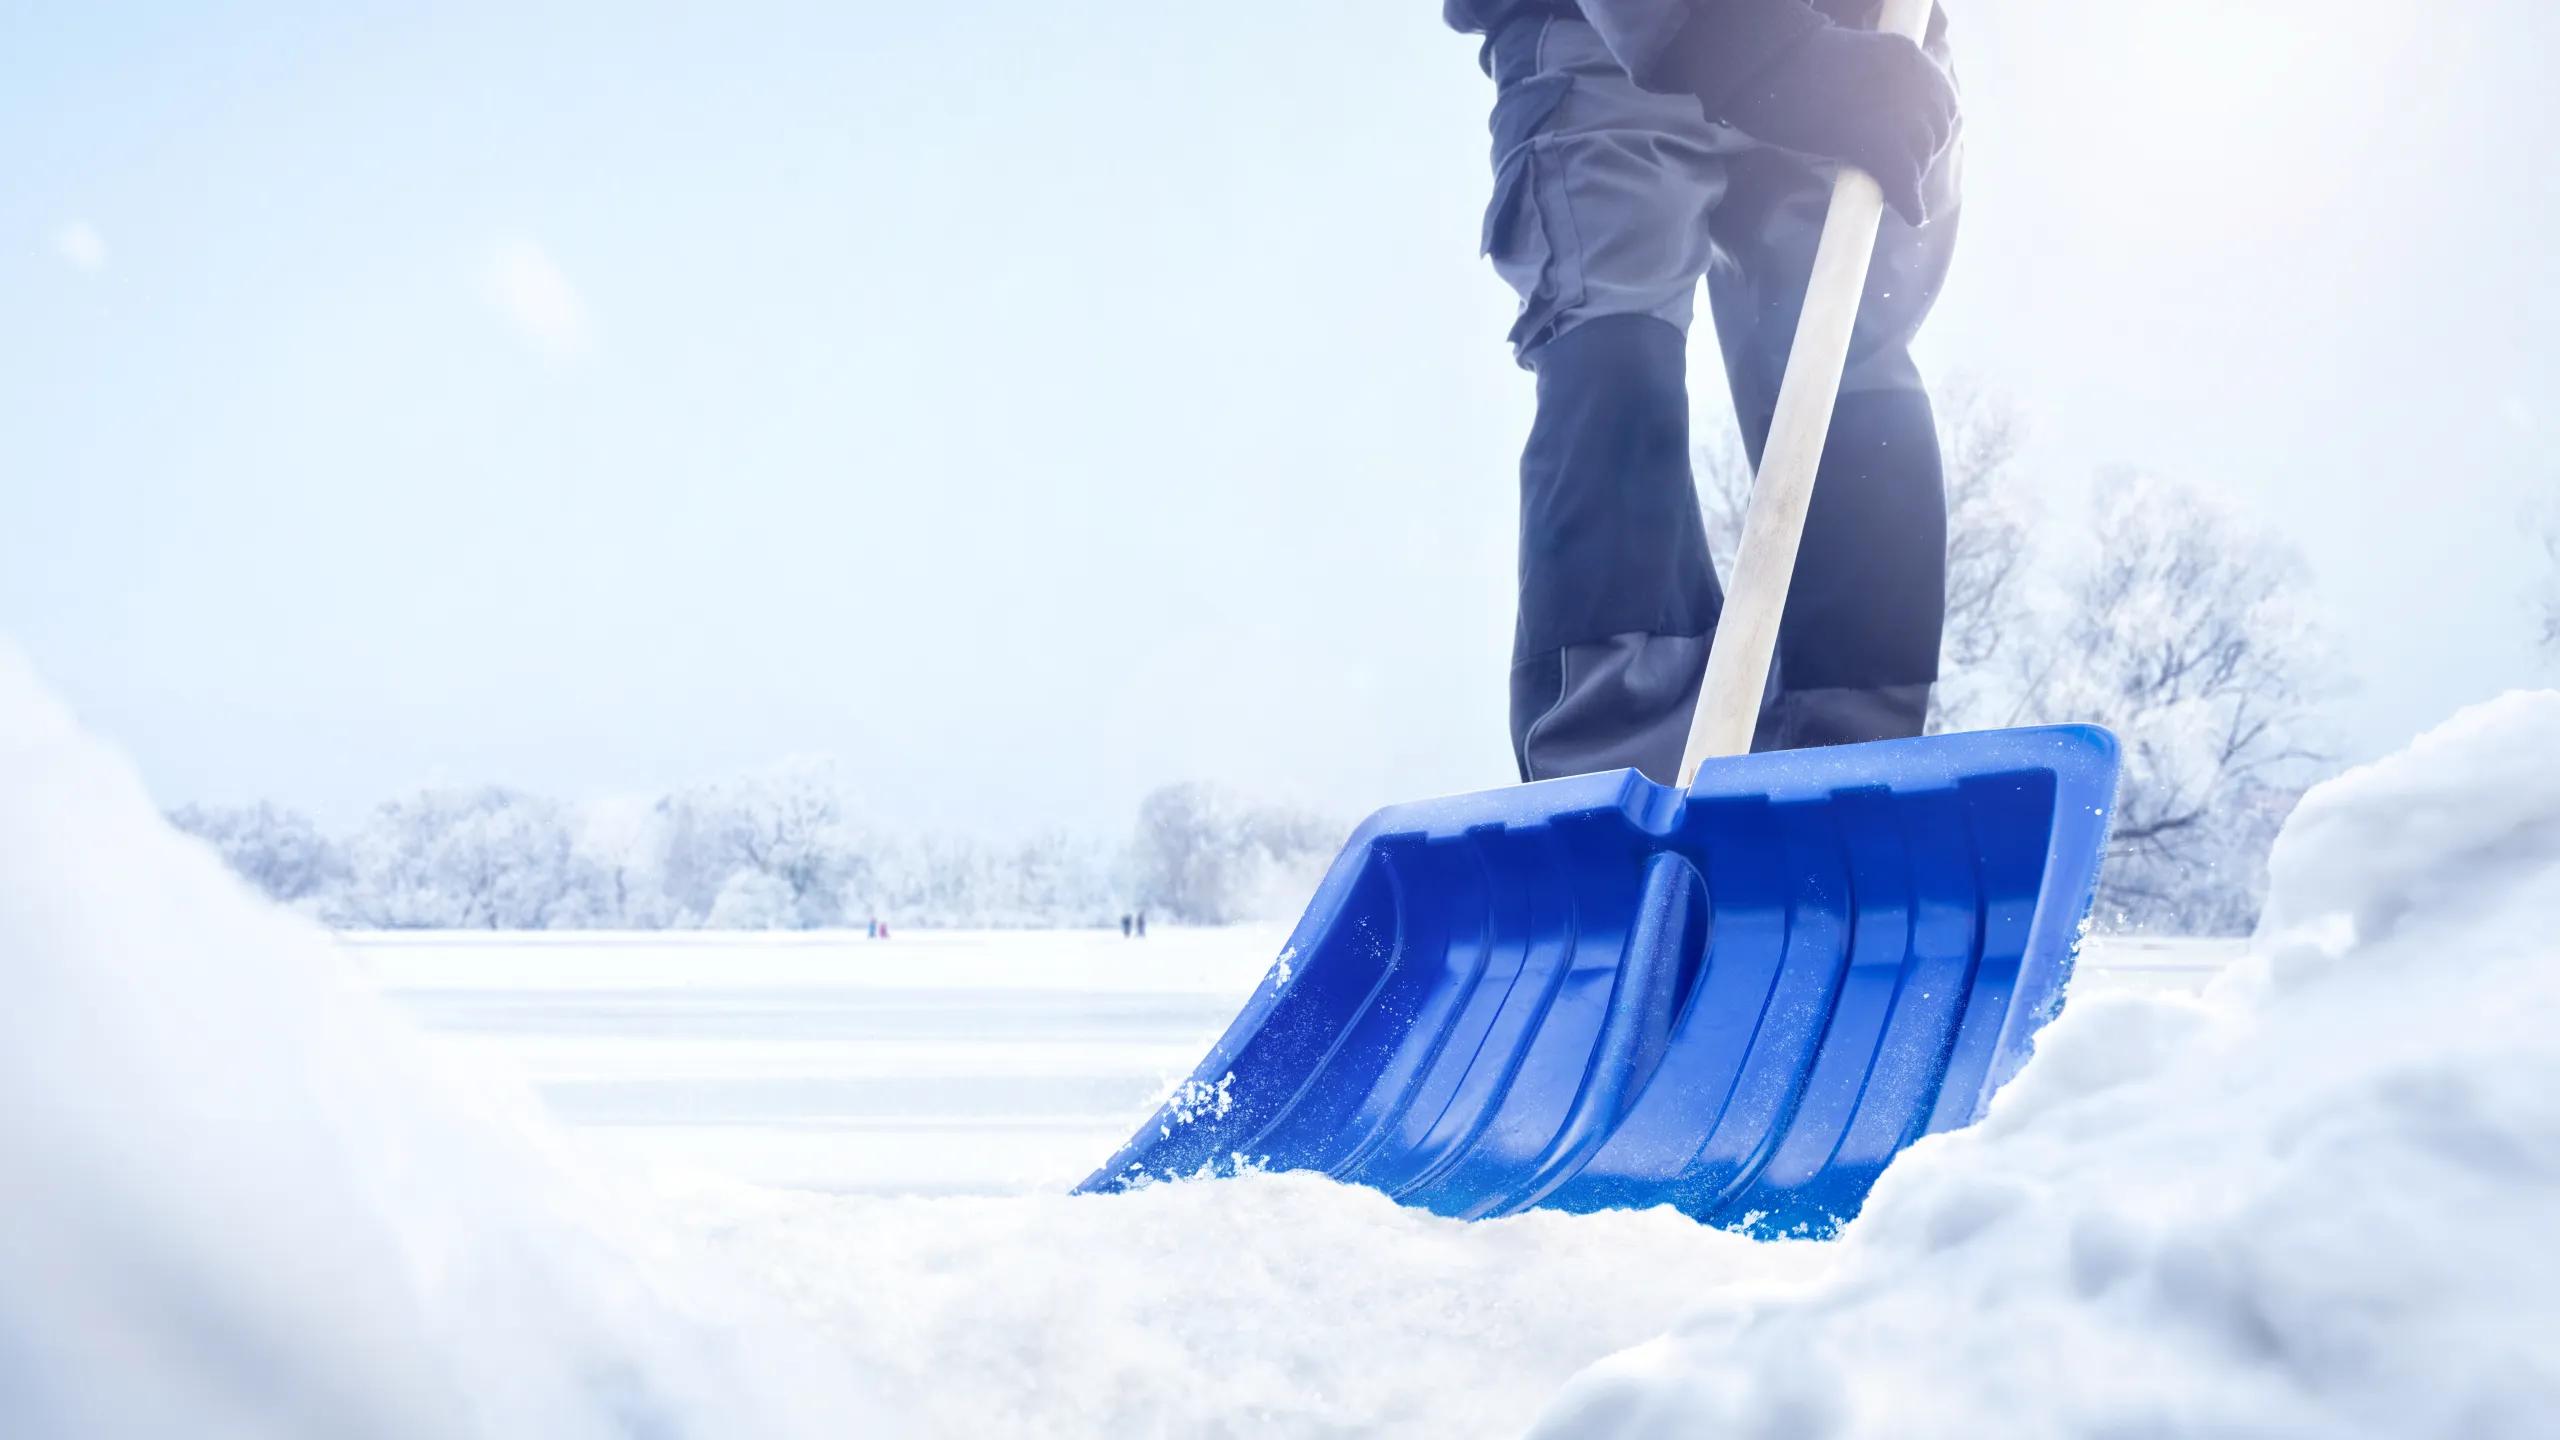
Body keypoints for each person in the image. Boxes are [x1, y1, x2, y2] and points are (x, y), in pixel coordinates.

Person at [1445, 0, 1963, 784]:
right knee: (1617, 334)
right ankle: (1619, 776)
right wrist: (1757, 48)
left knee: (1849, 369)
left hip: (1871, 40)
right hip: (1605, 29)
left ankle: (1852, 780)